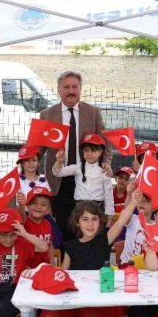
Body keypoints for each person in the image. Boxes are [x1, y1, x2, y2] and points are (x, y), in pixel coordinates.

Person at [32, 195, 138, 317]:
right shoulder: (71, 246)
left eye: (94, 219)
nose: (90, 224)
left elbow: (122, 221)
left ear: (100, 222)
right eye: (85, 219)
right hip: (73, 297)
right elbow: (63, 273)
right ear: (77, 222)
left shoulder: (104, 240)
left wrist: (134, 201)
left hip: (96, 300)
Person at [40, 71, 110, 239]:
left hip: (86, 180)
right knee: (63, 229)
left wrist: (106, 162)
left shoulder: (93, 112)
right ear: (58, 90)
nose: (71, 91)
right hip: (59, 180)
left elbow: (106, 143)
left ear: (80, 89)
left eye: (74, 87)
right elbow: (37, 147)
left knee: (86, 228)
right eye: (66, 87)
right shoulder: (47, 115)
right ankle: (64, 264)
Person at [52, 133, 114, 217]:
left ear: (100, 152)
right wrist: (59, 161)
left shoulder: (105, 172)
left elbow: (108, 195)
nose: (89, 153)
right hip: (79, 209)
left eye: (93, 150)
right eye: (86, 150)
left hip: (97, 210)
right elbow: (57, 173)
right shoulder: (78, 168)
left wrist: (110, 215)